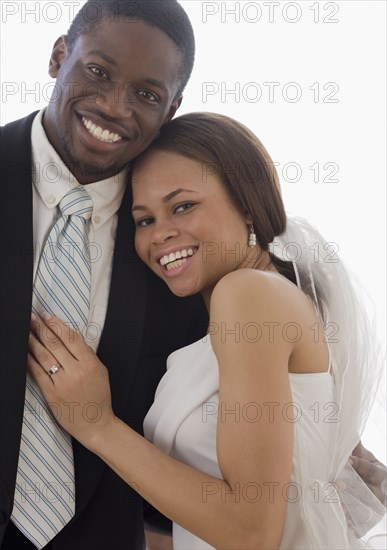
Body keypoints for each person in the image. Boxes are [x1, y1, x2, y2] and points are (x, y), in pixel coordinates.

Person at [28, 112, 386, 549]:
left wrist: (97, 425)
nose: (160, 234)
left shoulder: (248, 293)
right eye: (144, 220)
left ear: (249, 202)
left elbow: (251, 532)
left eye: (182, 206)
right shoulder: (254, 307)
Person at [0, 2, 208, 549]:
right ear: (59, 56)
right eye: (98, 71)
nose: (114, 106)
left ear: (172, 108)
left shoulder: (180, 239)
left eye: (146, 94)